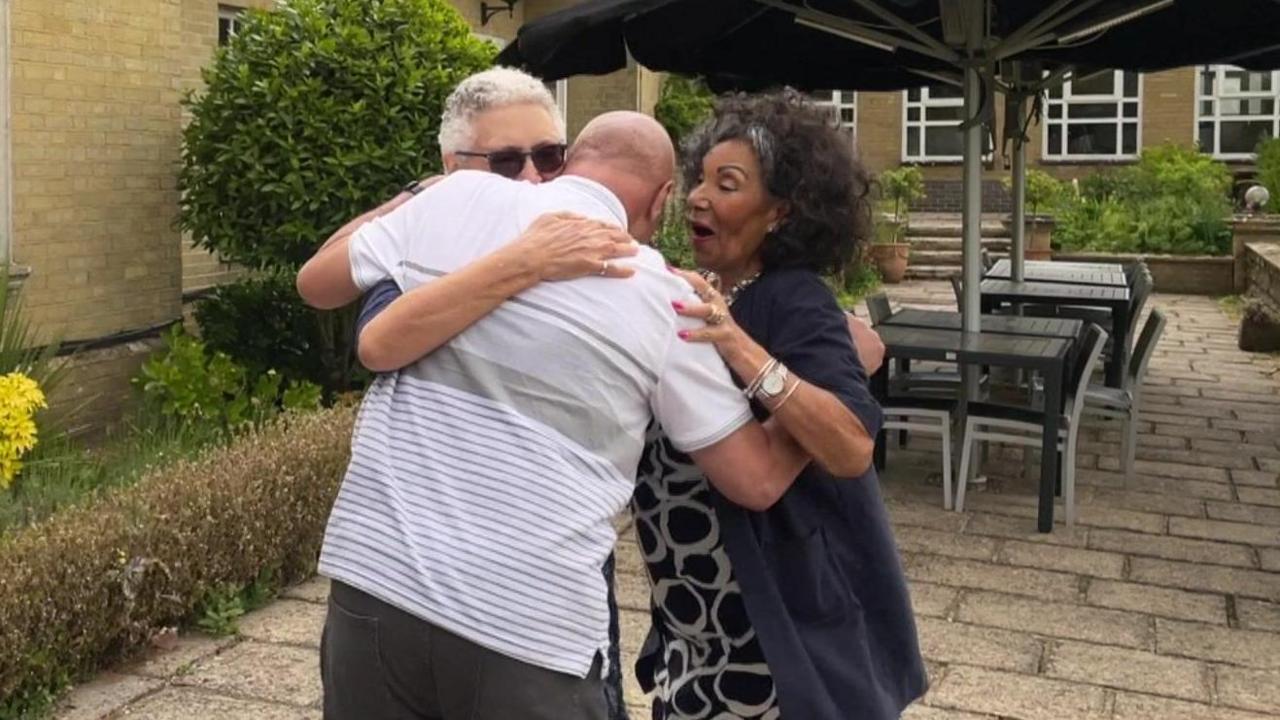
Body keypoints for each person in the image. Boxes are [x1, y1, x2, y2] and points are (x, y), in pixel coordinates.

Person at [311, 111, 857, 720]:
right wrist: (803, 396)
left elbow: (317, 285)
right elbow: (754, 481)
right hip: (529, 625)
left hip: (372, 585)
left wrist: (416, 199)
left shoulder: (455, 197)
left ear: (567, 163)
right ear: (662, 198)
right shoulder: (665, 295)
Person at [296, 67, 638, 720]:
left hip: (547, 578)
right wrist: (417, 202)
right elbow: (346, 309)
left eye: (549, 157)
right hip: (413, 579)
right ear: (456, 167)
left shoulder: (581, 235)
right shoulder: (438, 235)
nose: (535, 179)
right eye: (507, 162)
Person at [632, 91, 926, 720]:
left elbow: (851, 445)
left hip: (768, 637)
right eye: (701, 179)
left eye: (728, 184)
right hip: (701, 622)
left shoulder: (793, 298)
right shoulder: (719, 290)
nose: (699, 198)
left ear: (781, 212)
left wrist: (741, 349)